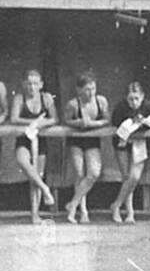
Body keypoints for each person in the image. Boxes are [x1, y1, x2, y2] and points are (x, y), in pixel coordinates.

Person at [9, 69, 58, 223]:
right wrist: (33, 122)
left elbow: (54, 119)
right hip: (24, 138)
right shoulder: (19, 98)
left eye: (35, 83)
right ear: (24, 84)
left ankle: (35, 214)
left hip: (40, 140)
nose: (32, 87)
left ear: (41, 85)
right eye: (29, 83)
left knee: (36, 175)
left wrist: (40, 123)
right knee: (23, 161)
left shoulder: (46, 98)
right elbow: (14, 118)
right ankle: (45, 188)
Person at [63, 71, 110, 223]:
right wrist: (78, 123)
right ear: (79, 90)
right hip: (76, 140)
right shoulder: (73, 104)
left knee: (94, 174)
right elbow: (66, 121)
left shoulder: (101, 101)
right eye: (87, 89)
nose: (91, 92)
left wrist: (93, 124)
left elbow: (107, 119)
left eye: (93, 89)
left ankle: (72, 204)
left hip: (92, 140)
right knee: (79, 173)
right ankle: (83, 211)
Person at [109, 81, 150, 224]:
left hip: (140, 143)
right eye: (131, 99)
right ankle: (130, 212)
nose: (134, 102)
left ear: (142, 97)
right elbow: (115, 127)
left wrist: (145, 121)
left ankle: (116, 204)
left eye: (137, 98)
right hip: (122, 143)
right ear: (126, 98)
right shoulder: (120, 108)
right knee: (126, 177)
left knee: (134, 177)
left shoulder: (148, 106)